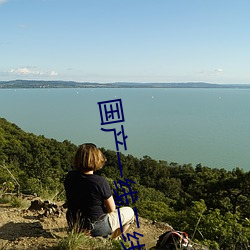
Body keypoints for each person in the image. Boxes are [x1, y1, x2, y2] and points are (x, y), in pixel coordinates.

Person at [64, 143, 134, 239]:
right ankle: (112, 239)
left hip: (74, 225)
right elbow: (111, 209)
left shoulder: (70, 176)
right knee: (130, 212)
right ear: (97, 160)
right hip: (95, 227)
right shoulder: (100, 182)